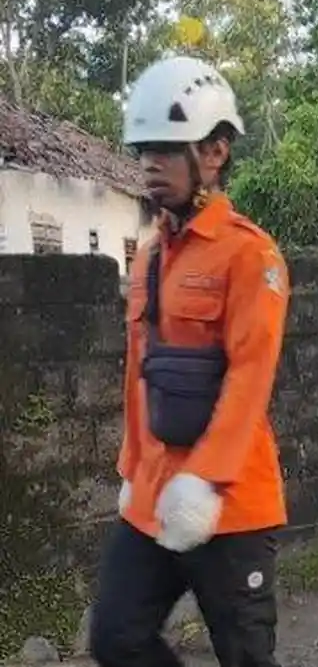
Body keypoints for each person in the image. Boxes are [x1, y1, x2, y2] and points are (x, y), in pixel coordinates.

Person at [89, 56, 290, 667]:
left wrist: (204, 480)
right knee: (116, 637)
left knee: (246, 658)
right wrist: (131, 469)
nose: (150, 163)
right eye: (143, 149)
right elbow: (138, 372)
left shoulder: (249, 255)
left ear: (215, 152)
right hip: (152, 493)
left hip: (230, 501)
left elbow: (250, 375)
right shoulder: (149, 256)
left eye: (166, 148)